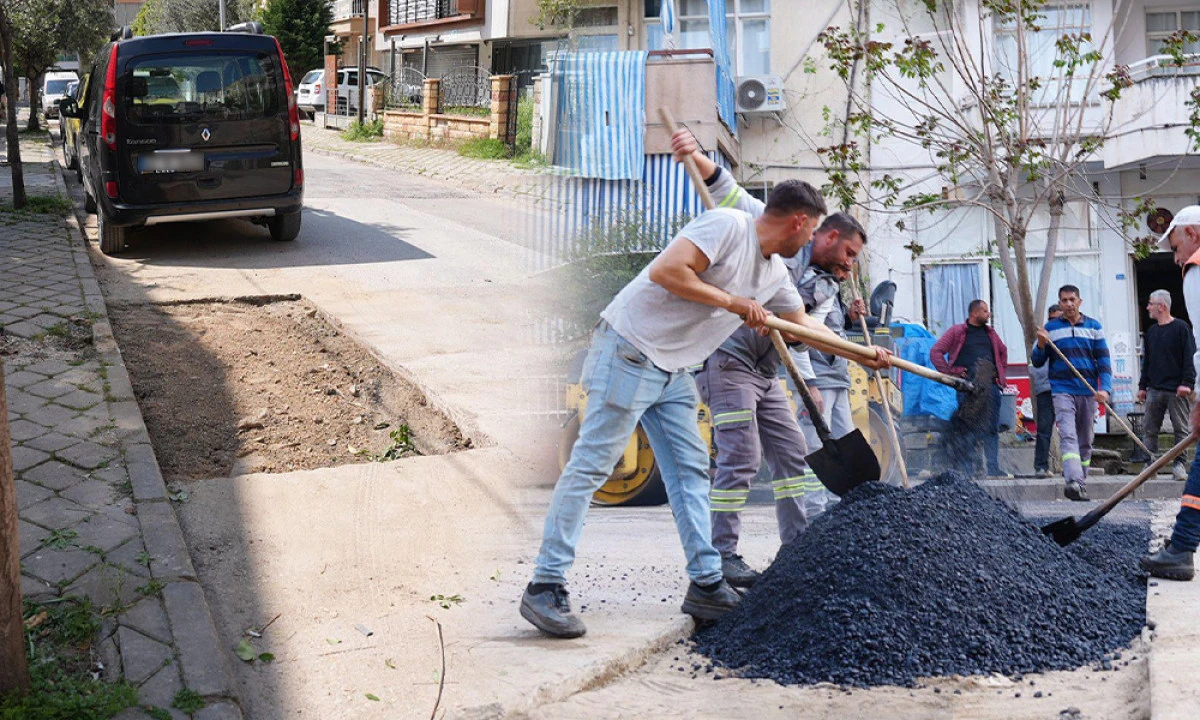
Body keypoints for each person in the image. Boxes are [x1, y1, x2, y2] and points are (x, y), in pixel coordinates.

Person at [520, 173, 892, 639]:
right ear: (800, 222)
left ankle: (706, 582)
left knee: (690, 472)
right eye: (813, 229)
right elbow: (667, 272)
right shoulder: (727, 226)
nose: (813, 239)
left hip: (673, 369)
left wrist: (866, 353)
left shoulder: (774, 275)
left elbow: (802, 329)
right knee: (592, 466)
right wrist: (734, 303)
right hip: (630, 349)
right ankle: (545, 583)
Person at [1144, 205, 1200, 581]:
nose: (1175, 255)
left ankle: (1181, 547)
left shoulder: (1196, 270)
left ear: (1193, 233)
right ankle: (1181, 545)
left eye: (1175, 242)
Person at [1031, 285, 1112, 502]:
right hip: (1061, 390)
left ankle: (1080, 481)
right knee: (1068, 434)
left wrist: (1104, 388)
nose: (1068, 304)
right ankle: (1073, 481)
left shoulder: (1094, 327)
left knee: (1085, 439)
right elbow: (1037, 361)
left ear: (1080, 301)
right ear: (1060, 303)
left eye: (1072, 299)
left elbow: (1104, 361)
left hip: (1087, 391)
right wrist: (1040, 344)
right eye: (1064, 300)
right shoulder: (1051, 328)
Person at [930, 300, 1010, 477]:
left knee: (991, 428)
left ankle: (993, 468)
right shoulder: (957, 332)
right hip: (967, 388)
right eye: (985, 311)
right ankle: (967, 469)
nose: (988, 314)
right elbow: (936, 352)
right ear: (974, 313)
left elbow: (1003, 351)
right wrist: (950, 373)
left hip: (990, 388)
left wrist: (999, 373)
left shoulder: (991, 334)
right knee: (967, 428)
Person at [1138, 289, 1195, 482]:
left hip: (1177, 390)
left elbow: (1190, 357)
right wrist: (1142, 386)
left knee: (1181, 429)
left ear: (1161, 306)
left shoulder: (1181, 328)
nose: (1148, 307)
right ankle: (1150, 464)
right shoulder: (1152, 332)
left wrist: (1187, 383)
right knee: (1150, 428)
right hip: (1154, 388)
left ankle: (1179, 465)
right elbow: (1147, 362)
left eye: (1150, 303)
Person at [1031, 304, 1063, 477]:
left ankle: (1072, 466)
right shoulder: (1042, 339)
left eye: (1057, 318)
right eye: (1051, 319)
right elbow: (1037, 364)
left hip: (1066, 388)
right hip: (1047, 389)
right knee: (1044, 429)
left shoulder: (1067, 336)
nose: (1054, 322)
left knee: (1070, 429)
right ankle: (1040, 466)